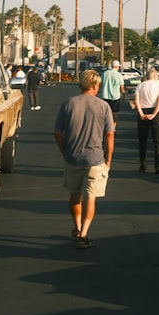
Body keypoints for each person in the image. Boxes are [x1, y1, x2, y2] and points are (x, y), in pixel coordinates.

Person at [53, 69, 115, 250]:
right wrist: (108, 159)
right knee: (91, 197)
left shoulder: (68, 104)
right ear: (95, 86)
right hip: (95, 158)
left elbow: (57, 132)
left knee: (74, 195)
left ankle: (77, 226)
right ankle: (85, 233)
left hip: (73, 157)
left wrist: (65, 151)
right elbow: (109, 135)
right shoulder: (103, 106)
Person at [134, 67, 159, 173]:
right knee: (157, 141)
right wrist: (154, 114)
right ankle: (158, 166)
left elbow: (136, 100)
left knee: (142, 141)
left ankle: (143, 165)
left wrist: (141, 113)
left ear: (147, 76)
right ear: (155, 76)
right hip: (154, 113)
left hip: (143, 111)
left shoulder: (140, 86)